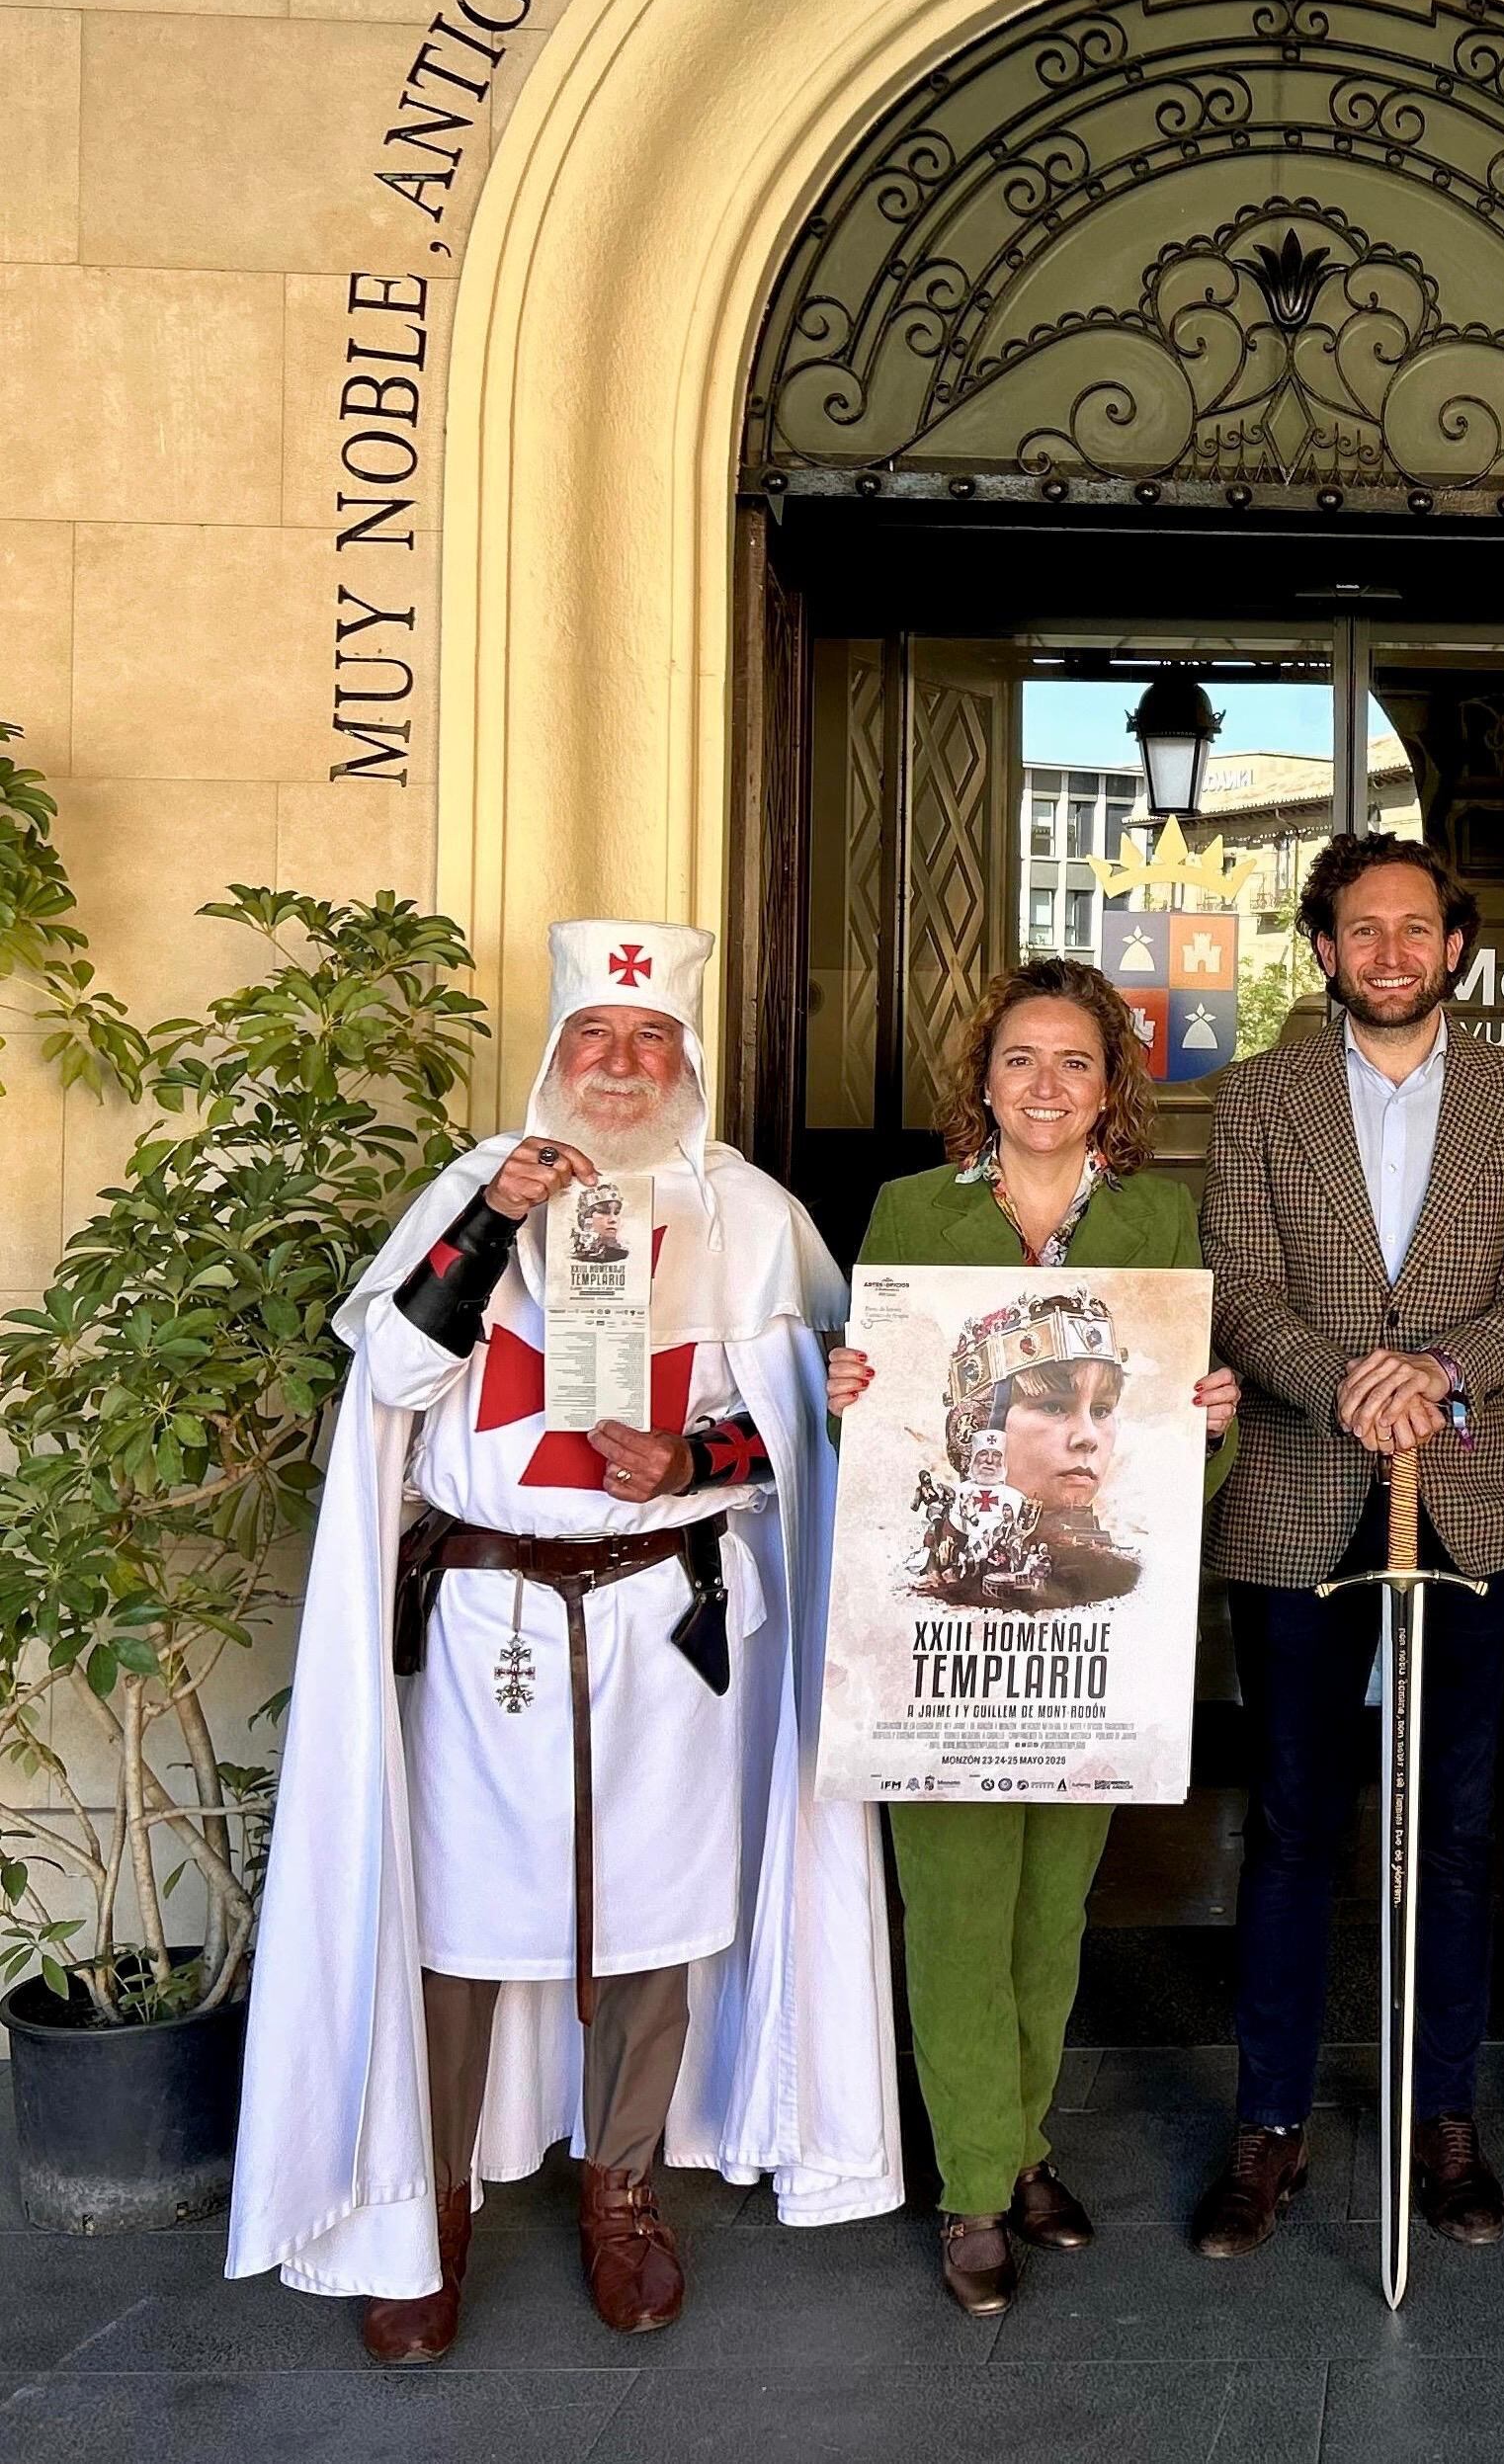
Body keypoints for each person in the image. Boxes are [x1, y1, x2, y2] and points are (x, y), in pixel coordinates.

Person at [228, 922, 895, 2363]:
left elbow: (812, 1427)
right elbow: (401, 1371)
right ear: (553, 1052)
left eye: (650, 1038)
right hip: (486, 1614)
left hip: (671, 1616)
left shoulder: (749, 1214)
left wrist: (689, 1455)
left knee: (660, 1911)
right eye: (596, 1033)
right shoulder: (473, 1191)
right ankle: (434, 2202)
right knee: (459, 1914)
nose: (620, 1060)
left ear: (686, 1060)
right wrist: (491, 1218)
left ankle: (624, 2185)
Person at [824, 956, 1239, 2315]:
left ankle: (1022, 2144)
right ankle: (972, 2192)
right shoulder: (905, 1212)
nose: (1045, 1085)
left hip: (1090, 1644)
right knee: (951, 1907)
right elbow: (882, 1452)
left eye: (1074, 1061)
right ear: (981, 1078)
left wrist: (1206, 1426)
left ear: (1111, 1087)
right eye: (1020, 1059)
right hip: (934, 1632)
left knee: (1050, 1911)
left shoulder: (1163, 1218)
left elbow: (1166, 1481)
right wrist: (840, 1393)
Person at [1190, 834, 1504, 2257]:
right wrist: (1348, 1377)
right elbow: (1232, 1280)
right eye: (1364, 930)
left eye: (1417, 928)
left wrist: (1440, 1371)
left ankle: (1443, 2115)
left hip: (1471, 1500)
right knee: (1292, 1823)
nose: (1392, 952)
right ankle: (1269, 2122)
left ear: (1454, 947)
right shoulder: (1259, 1095)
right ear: (1326, 948)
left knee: (1458, 1830)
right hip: (1297, 1494)